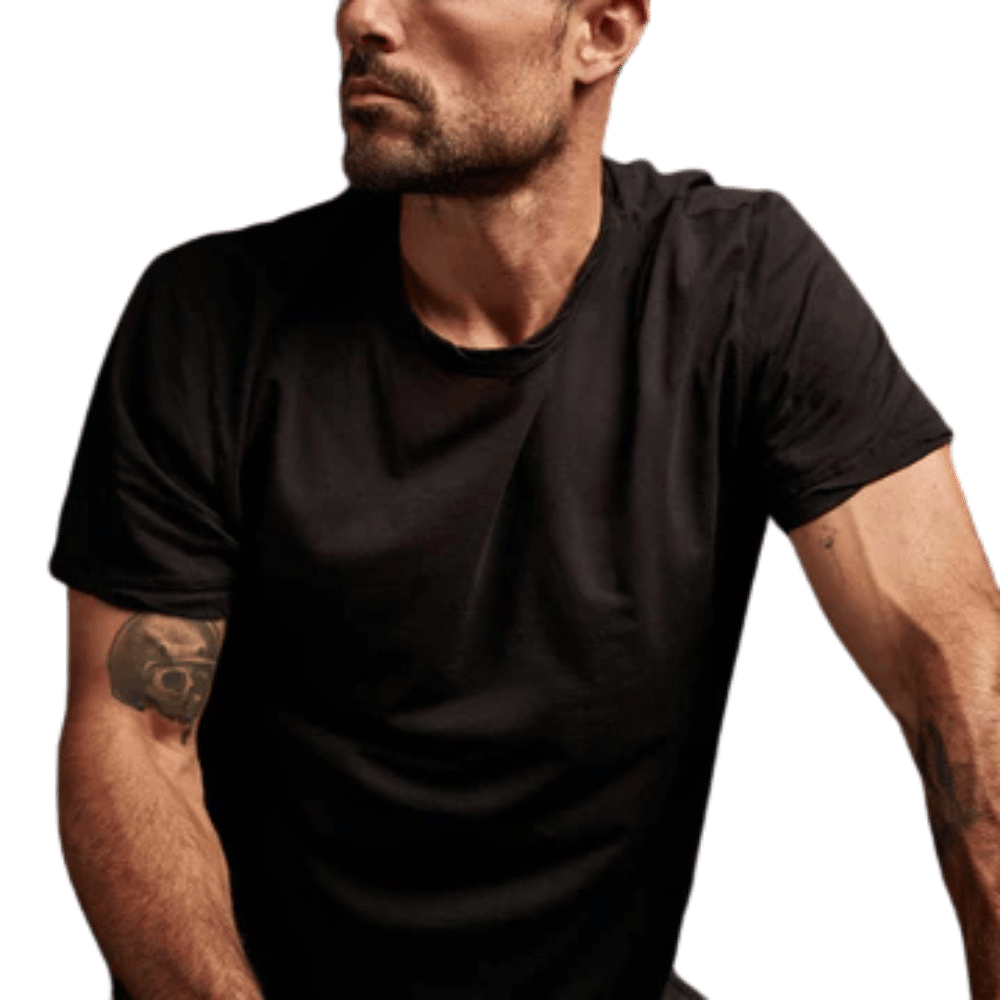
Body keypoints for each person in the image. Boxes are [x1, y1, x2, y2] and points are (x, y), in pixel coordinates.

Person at [47, 1, 999, 998]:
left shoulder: (743, 284)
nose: (361, 16)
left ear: (602, 31)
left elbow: (951, 659)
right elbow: (132, 741)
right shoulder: (208, 318)